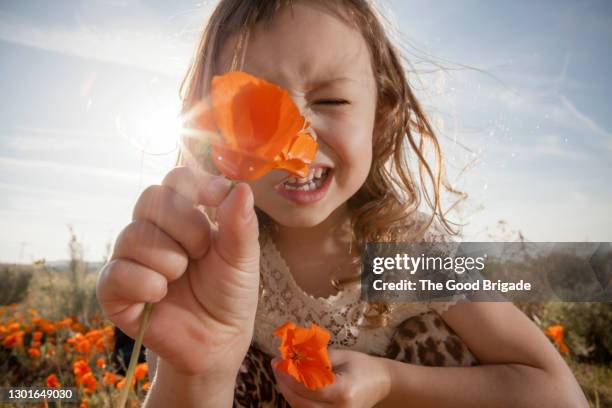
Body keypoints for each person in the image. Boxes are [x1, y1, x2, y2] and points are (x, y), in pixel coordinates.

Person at [96, 0, 588, 406]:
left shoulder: (414, 252)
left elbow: (559, 394)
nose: (299, 138)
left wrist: (393, 382)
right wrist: (195, 376)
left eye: (330, 101)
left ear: (383, 114)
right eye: (258, 112)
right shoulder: (208, 267)